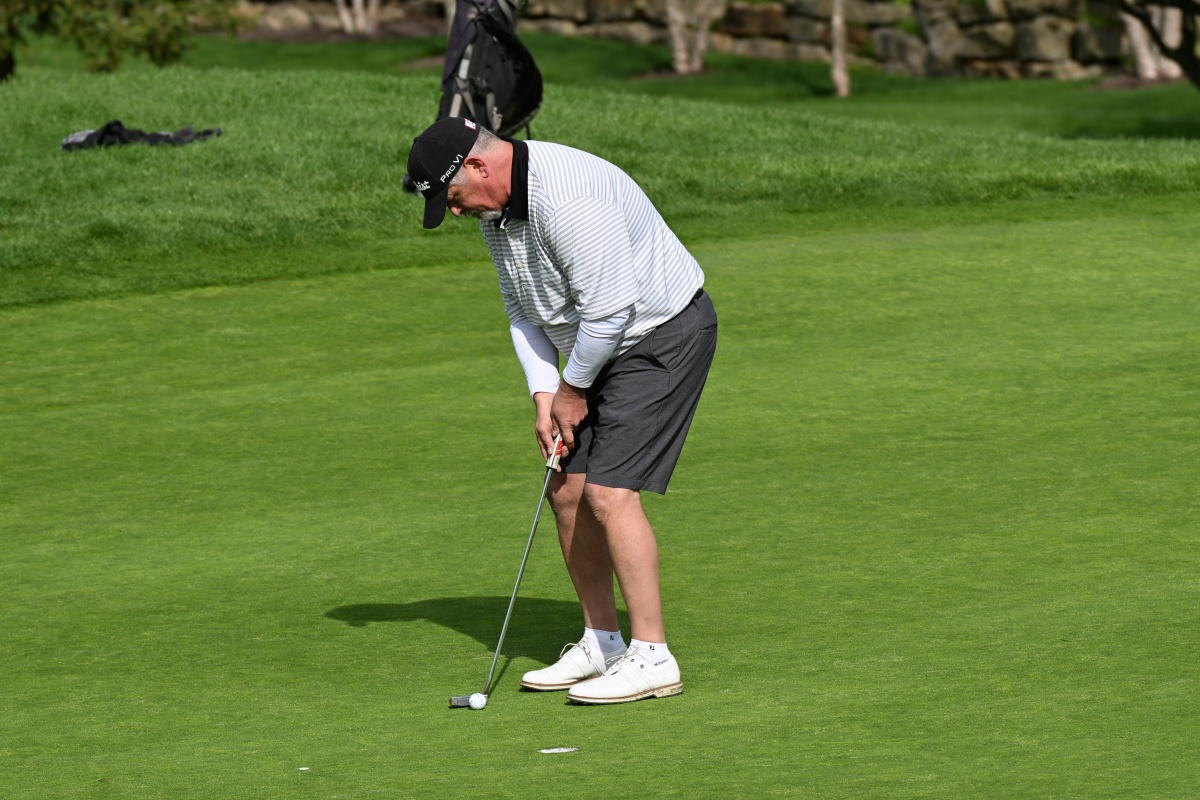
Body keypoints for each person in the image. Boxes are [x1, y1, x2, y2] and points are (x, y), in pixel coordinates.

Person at [407, 117, 717, 705]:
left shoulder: (569, 200)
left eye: (453, 196)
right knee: (567, 489)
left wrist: (572, 391)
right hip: (593, 348)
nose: (454, 211)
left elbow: (611, 312)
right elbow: (520, 309)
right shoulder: (497, 212)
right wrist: (545, 395)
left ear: (478, 166)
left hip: (660, 334)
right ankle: (603, 642)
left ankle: (654, 658)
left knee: (609, 492)